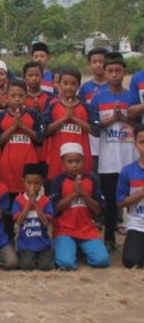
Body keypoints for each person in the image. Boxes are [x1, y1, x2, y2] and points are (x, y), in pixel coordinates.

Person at [89, 52, 140, 251]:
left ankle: (135, 237)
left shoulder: (131, 96)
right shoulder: (98, 99)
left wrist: (124, 118)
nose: (114, 74)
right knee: (111, 201)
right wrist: (111, 119)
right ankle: (109, 238)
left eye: (118, 71)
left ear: (124, 72)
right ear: (105, 72)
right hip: (108, 160)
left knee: (134, 200)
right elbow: (93, 127)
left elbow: (138, 124)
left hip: (130, 157)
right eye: (110, 71)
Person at [50, 143, 110, 270]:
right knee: (66, 264)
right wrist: (73, 195)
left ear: (84, 160)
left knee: (102, 260)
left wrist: (83, 194)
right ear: (63, 163)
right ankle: (69, 248)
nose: (74, 165)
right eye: (69, 161)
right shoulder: (58, 181)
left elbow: (98, 209)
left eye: (77, 161)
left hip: (87, 229)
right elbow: (54, 209)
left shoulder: (92, 180)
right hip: (64, 230)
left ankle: (80, 249)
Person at [0, 79, 43, 195]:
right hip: (7, 167)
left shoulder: (33, 115)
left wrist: (23, 127)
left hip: (30, 165)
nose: (17, 98)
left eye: (20, 95)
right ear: (7, 97)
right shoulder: (0, 116)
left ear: (26, 97)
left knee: (29, 199)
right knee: (9, 199)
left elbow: (39, 139)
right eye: (13, 95)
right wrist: (13, 127)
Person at [44, 67, 91, 186]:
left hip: (81, 161)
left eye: (73, 84)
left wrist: (74, 118)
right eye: (65, 83)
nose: (69, 87)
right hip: (57, 161)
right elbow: (46, 131)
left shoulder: (85, 107)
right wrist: (65, 118)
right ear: (59, 84)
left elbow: (95, 130)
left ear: (79, 85)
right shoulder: (52, 106)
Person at [13, 163, 55, 271]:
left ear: (42, 183)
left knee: (46, 266)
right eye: (29, 183)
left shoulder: (46, 200)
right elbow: (19, 221)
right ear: (23, 181)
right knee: (27, 266)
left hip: (43, 244)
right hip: (26, 244)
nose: (32, 187)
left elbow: (46, 223)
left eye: (36, 183)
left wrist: (36, 204)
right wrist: (28, 205)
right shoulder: (18, 200)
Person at [116, 123, 144, 268]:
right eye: (141, 142)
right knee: (130, 261)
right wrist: (139, 194)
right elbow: (120, 203)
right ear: (135, 145)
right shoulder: (128, 171)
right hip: (138, 225)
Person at [80, 48, 108, 186]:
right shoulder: (85, 88)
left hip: (112, 141)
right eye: (94, 62)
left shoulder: (114, 86)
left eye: (101, 61)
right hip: (92, 144)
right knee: (94, 181)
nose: (98, 65)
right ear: (89, 64)